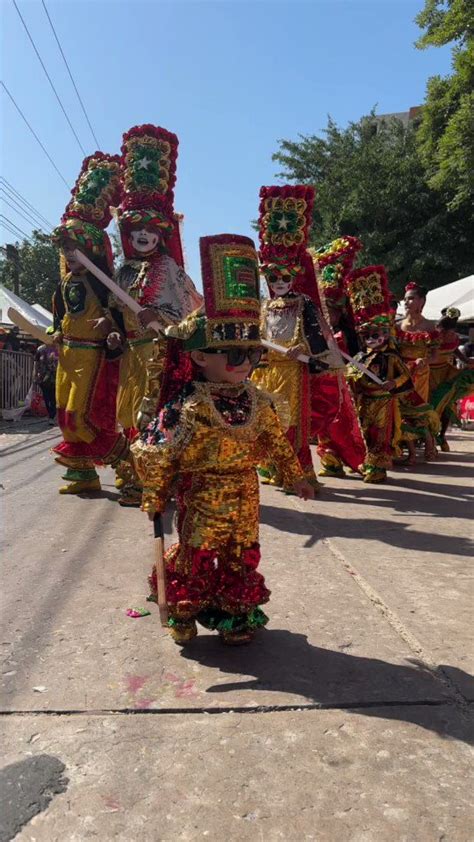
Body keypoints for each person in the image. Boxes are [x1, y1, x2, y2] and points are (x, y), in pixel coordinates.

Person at [132, 234, 314, 646]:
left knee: (240, 551)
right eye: (232, 355)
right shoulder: (188, 404)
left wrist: (297, 476)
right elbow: (156, 451)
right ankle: (184, 609)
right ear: (199, 356)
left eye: (251, 355)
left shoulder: (258, 399)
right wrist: (155, 493)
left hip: (246, 490)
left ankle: (235, 612)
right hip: (202, 491)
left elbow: (276, 444)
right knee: (196, 553)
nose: (244, 364)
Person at [112, 124, 202, 506]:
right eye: (137, 230)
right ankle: (131, 473)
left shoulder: (168, 268)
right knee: (125, 413)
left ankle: (154, 479)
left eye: (151, 230)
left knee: (153, 414)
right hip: (130, 355)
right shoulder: (122, 270)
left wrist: (158, 317)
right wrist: (113, 330)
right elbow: (113, 309)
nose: (144, 236)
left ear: (161, 234)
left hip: (158, 356)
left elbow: (187, 315)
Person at [51, 152, 129, 494]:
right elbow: (60, 314)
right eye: (66, 250)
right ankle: (83, 475)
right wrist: (55, 332)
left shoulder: (103, 284)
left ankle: (126, 460)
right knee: (63, 417)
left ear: (92, 250)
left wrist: (111, 329)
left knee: (80, 417)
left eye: (75, 249)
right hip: (66, 354)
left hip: (90, 356)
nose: (69, 256)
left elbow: (119, 320)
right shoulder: (66, 283)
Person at [251, 185, 333, 491]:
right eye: (273, 277)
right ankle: (271, 464)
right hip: (267, 371)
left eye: (285, 277)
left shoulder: (304, 304)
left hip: (293, 371)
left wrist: (305, 349)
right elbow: (258, 336)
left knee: (292, 423)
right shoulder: (264, 306)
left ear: (294, 275)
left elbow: (318, 340)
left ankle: (297, 472)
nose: (279, 282)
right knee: (268, 419)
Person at [344, 266, 413, 483]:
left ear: (384, 334)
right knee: (365, 431)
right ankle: (366, 462)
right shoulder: (361, 357)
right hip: (365, 400)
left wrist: (393, 382)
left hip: (383, 401)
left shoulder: (391, 356)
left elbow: (405, 376)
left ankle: (378, 467)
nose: (372, 339)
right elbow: (351, 375)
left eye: (376, 335)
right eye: (367, 335)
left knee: (380, 434)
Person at [308, 236, 367, 478]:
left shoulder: (346, 333)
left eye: (331, 309)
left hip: (339, 382)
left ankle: (353, 458)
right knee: (320, 423)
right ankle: (329, 460)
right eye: (324, 308)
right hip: (315, 379)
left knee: (341, 423)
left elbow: (355, 356)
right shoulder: (311, 328)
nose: (328, 314)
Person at [396, 282, 440, 461]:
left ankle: (429, 443)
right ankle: (409, 451)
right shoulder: (398, 326)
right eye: (405, 299)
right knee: (399, 409)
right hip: (401, 372)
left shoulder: (430, 326)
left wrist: (425, 360)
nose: (407, 302)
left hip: (420, 373)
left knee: (417, 410)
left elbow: (435, 356)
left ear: (422, 301)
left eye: (411, 298)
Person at [429, 308, 474, 450]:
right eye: (438, 328)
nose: (439, 332)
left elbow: (455, 350)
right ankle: (429, 436)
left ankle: (441, 436)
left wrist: (466, 360)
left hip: (446, 373)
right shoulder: (432, 337)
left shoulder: (455, 337)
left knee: (448, 405)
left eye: (443, 330)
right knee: (432, 404)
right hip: (429, 374)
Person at [33, 342, 58, 423]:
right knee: (46, 397)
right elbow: (36, 363)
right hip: (43, 377)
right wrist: (35, 374)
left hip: (55, 377)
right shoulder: (40, 349)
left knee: (53, 398)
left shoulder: (59, 348)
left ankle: (52, 415)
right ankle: (51, 415)